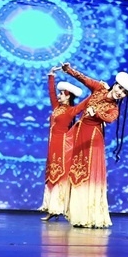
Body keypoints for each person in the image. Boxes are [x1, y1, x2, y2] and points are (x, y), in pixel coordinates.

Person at [61, 62, 128, 228]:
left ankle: (89, 216)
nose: (120, 93)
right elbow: (84, 79)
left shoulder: (114, 109)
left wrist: (95, 113)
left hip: (93, 139)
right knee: (76, 172)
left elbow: (109, 119)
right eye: (119, 88)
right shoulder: (99, 88)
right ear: (115, 84)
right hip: (80, 135)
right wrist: (68, 70)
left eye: (124, 93)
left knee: (88, 174)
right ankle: (77, 214)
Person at [39, 66, 89, 222]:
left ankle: (58, 208)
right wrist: (51, 76)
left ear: (68, 96)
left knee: (60, 175)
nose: (59, 96)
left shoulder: (71, 111)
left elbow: (85, 104)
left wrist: (98, 93)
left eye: (62, 94)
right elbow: (51, 94)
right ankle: (51, 208)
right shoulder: (57, 108)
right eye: (60, 93)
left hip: (62, 147)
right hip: (52, 145)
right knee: (51, 175)